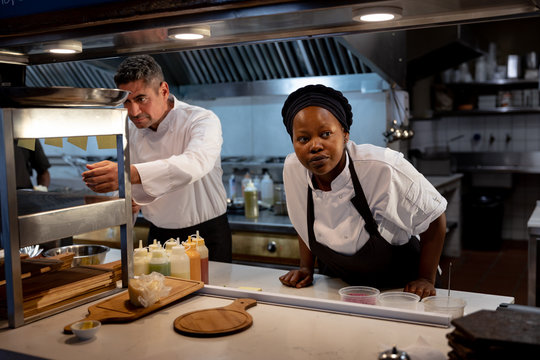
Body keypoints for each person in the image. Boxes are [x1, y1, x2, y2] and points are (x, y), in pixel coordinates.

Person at [278, 84, 447, 298]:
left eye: (326, 134)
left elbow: (434, 216)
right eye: (303, 139)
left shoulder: (381, 167)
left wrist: (425, 279)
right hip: (344, 290)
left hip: (402, 291)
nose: (315, 146)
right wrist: (305, 268)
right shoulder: (294, 169)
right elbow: (304, 221)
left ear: (345, 134)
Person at [81, 55, 232, 262]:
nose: (133, 112)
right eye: (126, 102)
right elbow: (136, 188)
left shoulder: (201, 119)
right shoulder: (131, 129)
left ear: (163, 91)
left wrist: (128, 174)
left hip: (205, 236)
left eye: (141, 99)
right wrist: (127, 200)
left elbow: (195, 164)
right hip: (159, 236)